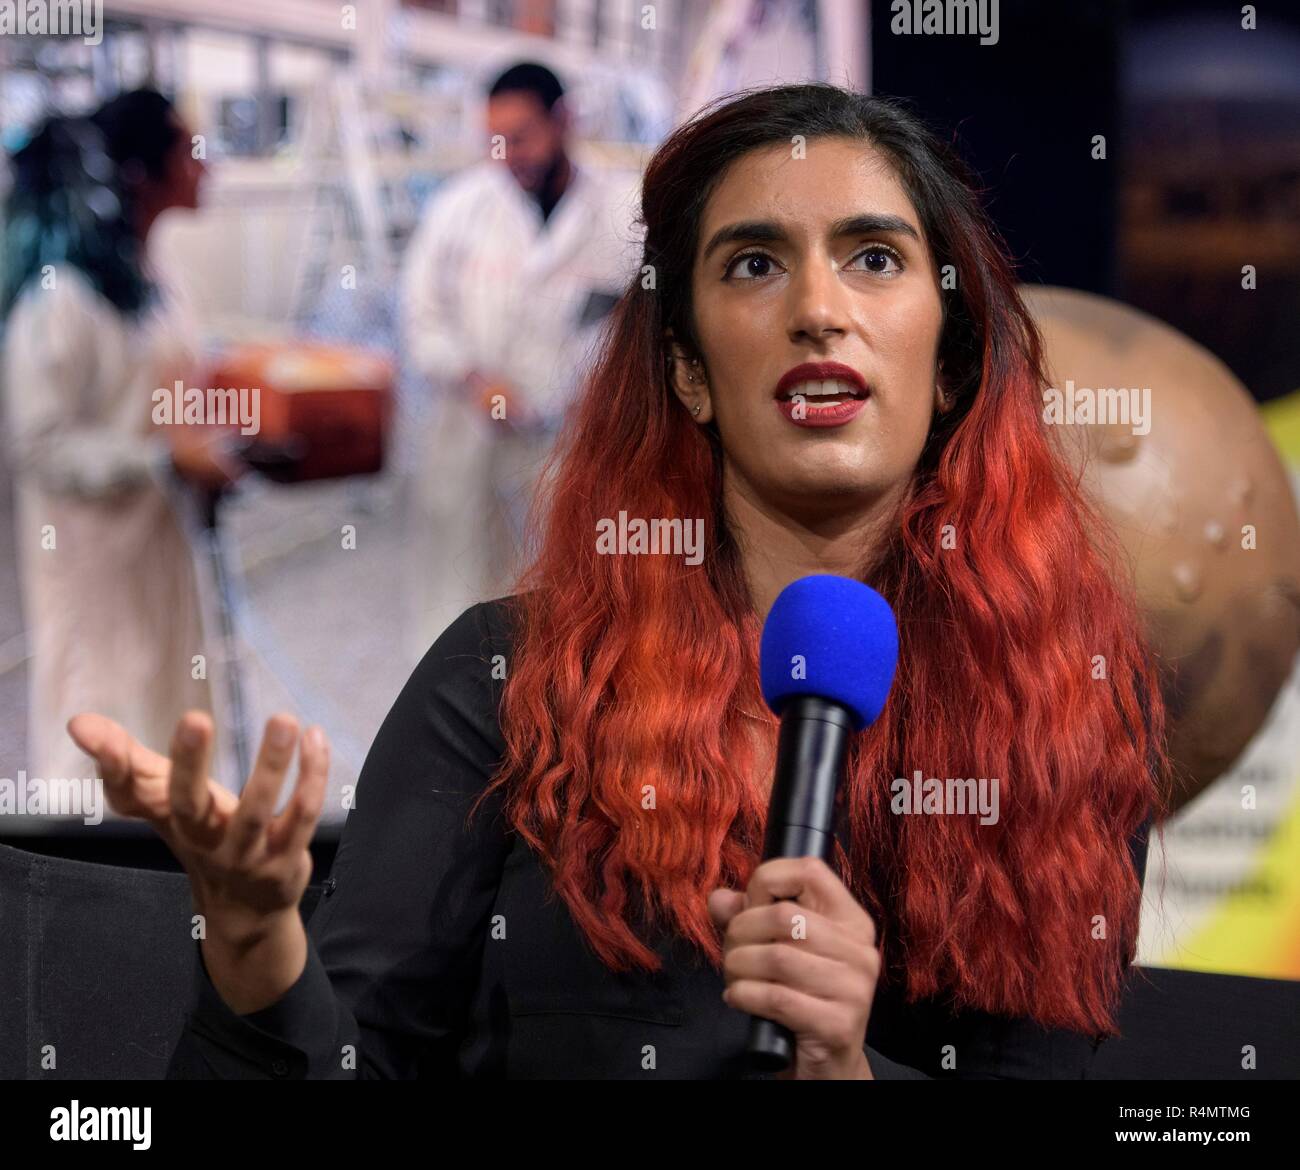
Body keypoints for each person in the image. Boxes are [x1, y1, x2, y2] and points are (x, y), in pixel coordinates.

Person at [69, 83, 1168, 1079]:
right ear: (688, 370)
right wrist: (259, 955)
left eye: (872, 257)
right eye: (753, 263)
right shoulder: (503, 681)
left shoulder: (1065, 714)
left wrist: (847, 1071)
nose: (817, 310)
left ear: (952, 361)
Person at [3, 89, 240, 792]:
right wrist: (164, 458)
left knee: (168, 724)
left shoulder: (157, 284)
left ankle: (164, 889)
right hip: (91, 562)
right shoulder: (61, 299)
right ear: (141, 171)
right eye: (191, 152)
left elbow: (166, 396)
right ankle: (87, 893)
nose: (208, 168)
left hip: (158, 549)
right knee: (99, 734)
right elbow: (39, 445)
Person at [399, 60, 641, 650]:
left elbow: (645, 326)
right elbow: (420, 318)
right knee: (461, 609)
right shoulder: (460, 210)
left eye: (524, 135)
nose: (509, 153)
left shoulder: (624, 211)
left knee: (568, 611)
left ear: (564, 120)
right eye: (495, 140)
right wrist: (474, 379)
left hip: (576, 450)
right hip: (471, 445)